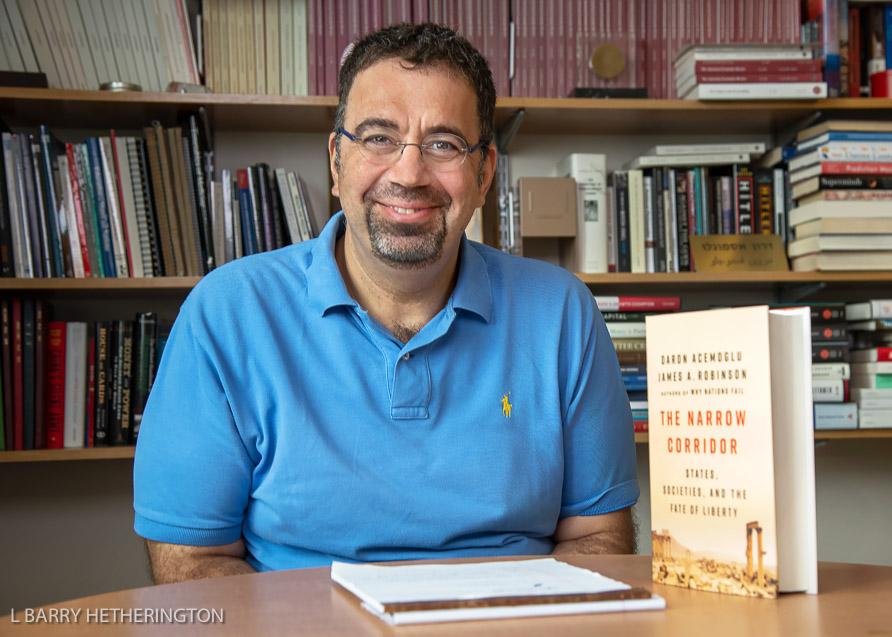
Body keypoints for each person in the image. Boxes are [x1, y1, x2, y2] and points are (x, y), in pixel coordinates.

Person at [133, 22, 639, 584]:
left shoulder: (564, 314)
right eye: (378, 138)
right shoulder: (225, 314)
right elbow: (193, 561)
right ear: (335, 160)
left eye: (443, 144)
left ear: (484, 172)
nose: (408, 173)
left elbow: (599, 539)